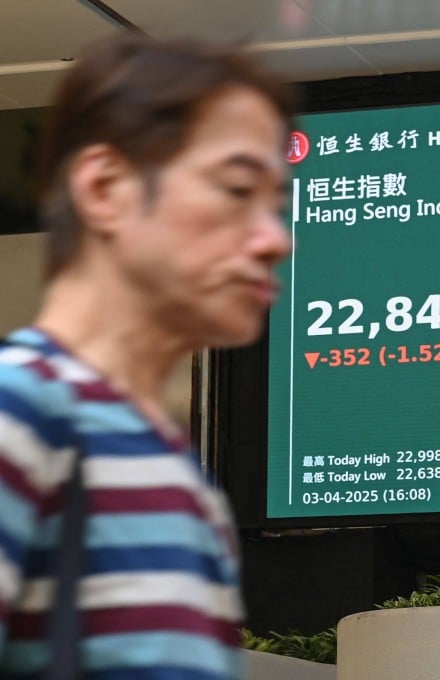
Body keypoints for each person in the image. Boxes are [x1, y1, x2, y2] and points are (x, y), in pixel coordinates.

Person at [0, 33, 295, 677]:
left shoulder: (179, 479)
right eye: (237, 190)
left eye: (279, 204)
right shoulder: (18, 414)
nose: (275, 239)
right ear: (106, 188)